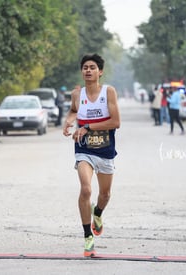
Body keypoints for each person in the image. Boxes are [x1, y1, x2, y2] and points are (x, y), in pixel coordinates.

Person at [62, 54, 120, 257]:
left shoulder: (109, 92)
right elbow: (72, 110)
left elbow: (115, 122)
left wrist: (87, 126)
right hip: (84, 149)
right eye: (85, 67)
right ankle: (88, 236)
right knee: (86, 189)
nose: (88, 70)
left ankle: (98, 213)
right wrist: (69, 121)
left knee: (104, 195)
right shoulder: (77, 94)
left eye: (92, 67)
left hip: (105, 149)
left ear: (100, 71)